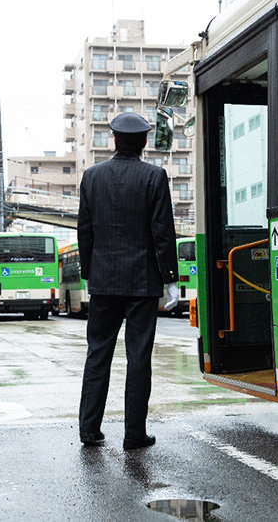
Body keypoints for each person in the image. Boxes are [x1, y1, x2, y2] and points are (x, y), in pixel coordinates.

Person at [77, 111, 179, 450]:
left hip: (104, 281)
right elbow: (162, 232)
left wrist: (90, 272)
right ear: (144, 142)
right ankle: (134, 434)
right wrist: (170, 279)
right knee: (138, 358)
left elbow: (85, 231)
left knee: (98, 354)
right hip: (142, 283)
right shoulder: (154, 177)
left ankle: (89, 429)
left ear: (114, 140)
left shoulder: (91, 177)